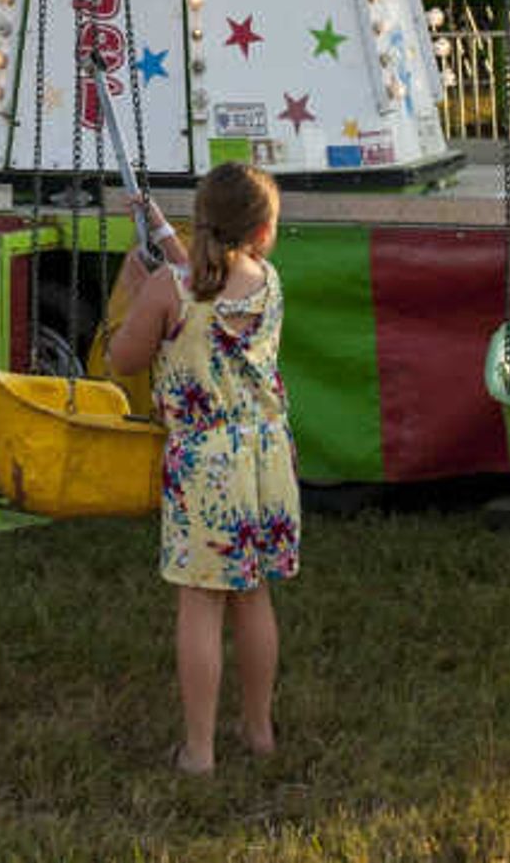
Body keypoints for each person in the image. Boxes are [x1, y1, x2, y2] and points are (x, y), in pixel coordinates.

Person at [106, 164, 299, 774]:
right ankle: (259, 731)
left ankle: (200, 750)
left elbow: (123, 359)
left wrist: (139, 294)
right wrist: (163, 232)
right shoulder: (267, 280)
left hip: (205, 465)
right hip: (267, 457)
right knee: (254, 593)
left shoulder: (169, 288)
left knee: (200, 601)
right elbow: (210, 277)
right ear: (264, 231)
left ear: (201, 218)